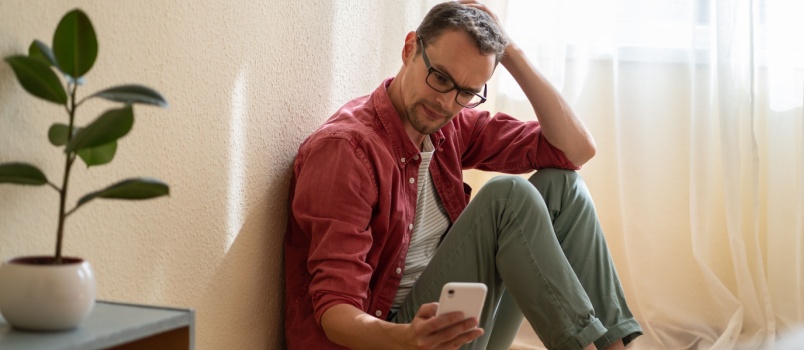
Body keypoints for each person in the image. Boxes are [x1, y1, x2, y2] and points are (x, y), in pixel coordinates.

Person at [283, 1, 643, 349]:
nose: (446, 103)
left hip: (452, 328)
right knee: (507, 197)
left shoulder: (447, 126)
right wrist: (407, 340)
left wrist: (511, 51)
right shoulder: (347, 151)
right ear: (410, 48)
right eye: (440, 77)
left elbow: (575, 150)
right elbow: (335, 314)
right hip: (393, 340)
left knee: (562, 185)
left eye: (466, 93)